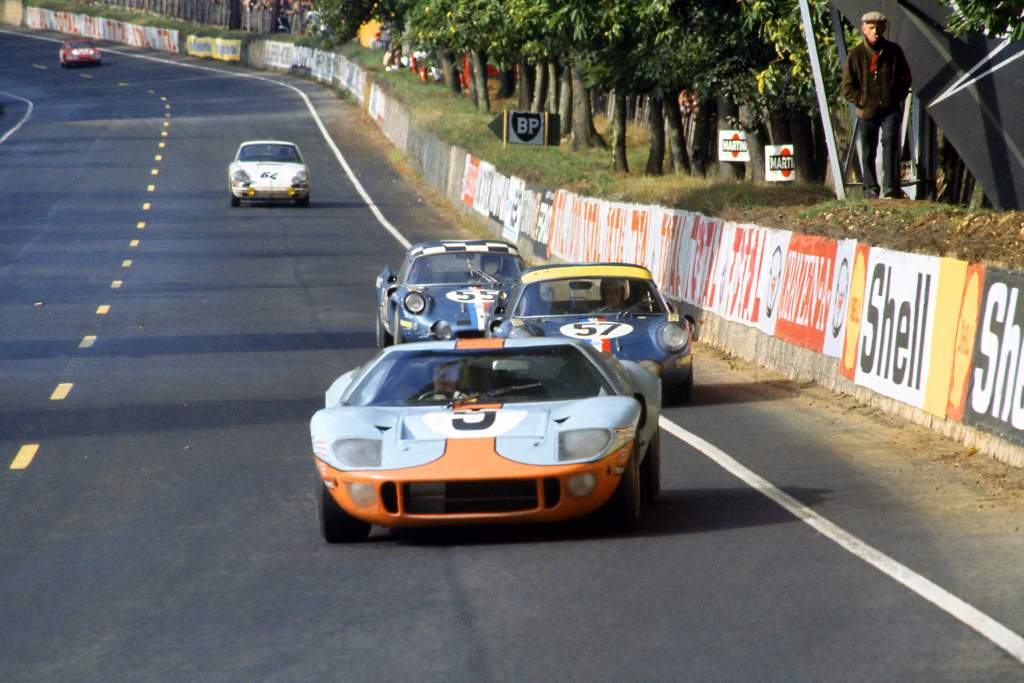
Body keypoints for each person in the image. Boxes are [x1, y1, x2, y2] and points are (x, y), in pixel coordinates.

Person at [842, 11, 912, 199]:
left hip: (890, 109)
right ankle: (870, 188)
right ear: (863, 29)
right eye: (871, 28)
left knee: (890, 142)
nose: (876, 32)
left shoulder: (894, 51)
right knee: (868, 151)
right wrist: (862, 101)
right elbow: (847, 87)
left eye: (879, 27)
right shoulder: (855, 54)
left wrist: (896, 97)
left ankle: (891, 186)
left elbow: (906, 78)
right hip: (867, 112)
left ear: (884, 28)